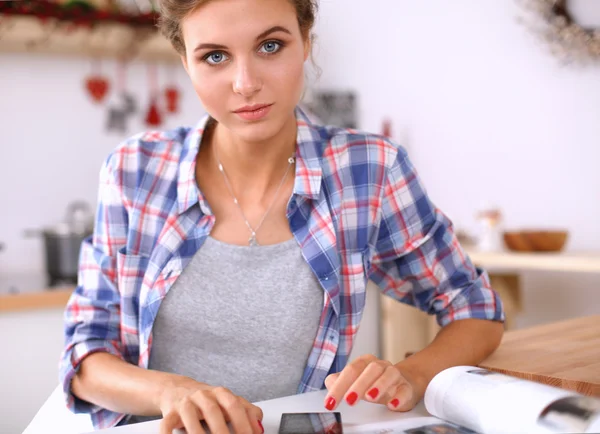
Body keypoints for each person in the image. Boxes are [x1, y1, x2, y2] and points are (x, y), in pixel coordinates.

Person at [58, 0, 506, 433]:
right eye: (215, 56)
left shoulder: (368, 170)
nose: (246, 82)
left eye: (270, 46)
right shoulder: (135, 169)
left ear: (305, 41)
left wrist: (413, 374)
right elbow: (84, 357)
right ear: (185, 60)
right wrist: (174, 393)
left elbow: (476, 309)